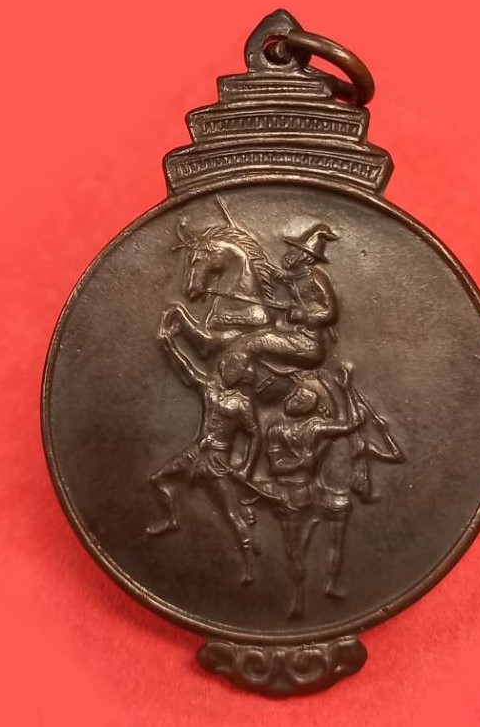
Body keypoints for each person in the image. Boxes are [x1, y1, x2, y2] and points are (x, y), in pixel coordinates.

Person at [147, 327, 260, 585]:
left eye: (234, 367)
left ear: (242, 373)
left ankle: (249, 566)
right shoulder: (211, 388)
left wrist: (247, 466)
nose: (227, 369)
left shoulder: (242, 405)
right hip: (196, 452)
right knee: (157, 480)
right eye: (226, 365)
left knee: (231, 515)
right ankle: (171, 518)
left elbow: (255, 436)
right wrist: (170, 344)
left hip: (217, 461)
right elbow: (187, 369)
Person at [265, 365, 364, 617]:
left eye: (302, 398)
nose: (294, 398)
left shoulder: (316, 426)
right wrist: (301, 463)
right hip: (288, 493)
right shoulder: (275, 430)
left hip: (311, 490)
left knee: (338, 514)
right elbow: (275, 467)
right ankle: (297, 596)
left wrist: (346, 389)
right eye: (296, 395)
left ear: (309, 407)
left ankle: (331, 582)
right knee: (294, 550)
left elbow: (352, 424)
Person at [221, 222, 339, 371]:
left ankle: (224, 384)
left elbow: (331, 313)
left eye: (296, 251)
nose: (289, 253)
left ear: (308, 259)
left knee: (248, 344)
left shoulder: (316, 278)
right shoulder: (296, 276)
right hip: (292, 334)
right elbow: (287, 278)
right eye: (291, 249)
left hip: (306, 341)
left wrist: (300, 314)